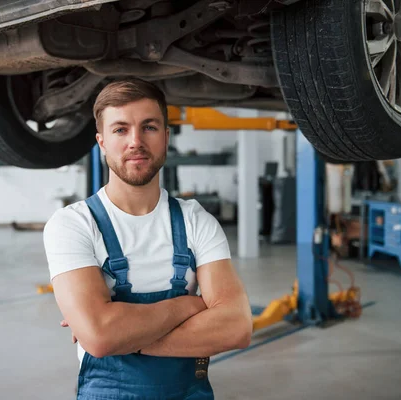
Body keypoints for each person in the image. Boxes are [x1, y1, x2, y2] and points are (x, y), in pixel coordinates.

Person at [43, 78, 252, 400]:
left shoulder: (196, 221)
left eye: (149, 127)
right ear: (101, 141)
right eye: (120, 129)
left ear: (166, 137)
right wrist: (191, 305)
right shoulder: (73, 224)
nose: (135, 141)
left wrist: (119, 337)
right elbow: (100, 337)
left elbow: (236, 328)